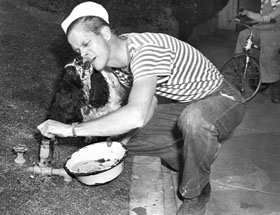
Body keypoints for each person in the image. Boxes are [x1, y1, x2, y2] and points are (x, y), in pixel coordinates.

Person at [37, 2, 246, 214]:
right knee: (115, 142)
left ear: (106, 33)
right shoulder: (116, 59)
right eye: (78, 50)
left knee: (194, 120)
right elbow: (149, 103)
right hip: (187, 105)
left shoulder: (146, 51)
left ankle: (197, 191)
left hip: (223, 99)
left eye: (86, 43)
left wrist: (70, 129)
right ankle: (191, 155)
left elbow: (136, 115)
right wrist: (123, 141)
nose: (84, 54)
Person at [235, 0, 280, 103]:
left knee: (268, 59)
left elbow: (277, 11)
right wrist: (248, 13)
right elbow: (261, 15)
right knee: (243, 35)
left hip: (274, 31)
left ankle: (276, 90)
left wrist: (270, 16)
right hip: (261, 29)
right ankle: (241, 64)